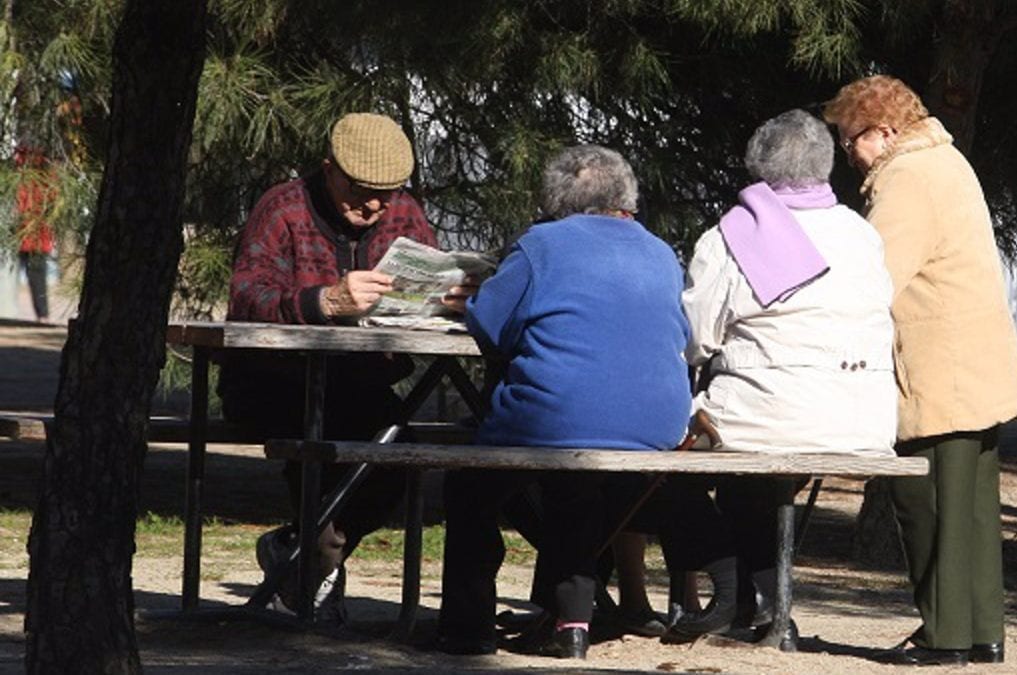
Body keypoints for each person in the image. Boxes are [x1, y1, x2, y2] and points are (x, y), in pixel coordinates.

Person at [430, 145, 693, 659]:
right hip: (657, 427)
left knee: (469, 487)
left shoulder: (541, 245)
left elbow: (491, 327)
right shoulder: (661, 251)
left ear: (554, 201)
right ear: (626, 198)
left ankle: (468, 629)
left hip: (553, 420)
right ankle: (571, 623)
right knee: (573, 482)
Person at [218, 112, 457, 623]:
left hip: (362, 382)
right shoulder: (281, 208)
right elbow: (246, 296)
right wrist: (321, 301)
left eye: (387, 193)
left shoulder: (404, 212)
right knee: (326, 453)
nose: (374, 204)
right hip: (272, 383)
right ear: (329, 169)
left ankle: (297, 552)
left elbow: (428, 283)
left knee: (399, 457)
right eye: (361, 189)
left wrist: (448, 299)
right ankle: (312, 570)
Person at [671, 109, 898, 642]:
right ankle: (768, 609)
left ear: (755, 165)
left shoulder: (730, 236)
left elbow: (694, 339)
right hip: (861, 417)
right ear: (825, 167)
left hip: (766, 413)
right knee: (746, 466)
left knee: (664, 455)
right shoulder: (861, 234)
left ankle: (740, 596)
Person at [823, 75, 1017, 666]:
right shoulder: (946, 160)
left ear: (883, 131)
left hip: (940, 370)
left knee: (928, 504)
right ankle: (980, 631)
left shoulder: (906, 179)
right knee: (971, 513)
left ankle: (944, 637)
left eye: (849, 139)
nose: (848, 153)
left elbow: (877, 276)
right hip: (973, 366)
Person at [14, 146, 55, 323]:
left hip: (34, 235)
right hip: (34, 234)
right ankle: (42, 315)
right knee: (37, 275)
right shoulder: (47, 175)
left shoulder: (27, 174)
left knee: (36, 274)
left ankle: (43, 314)